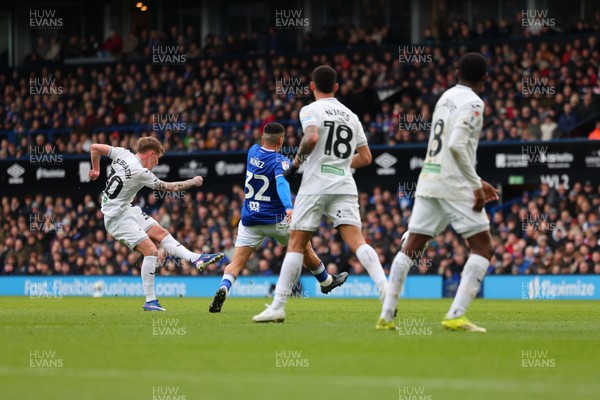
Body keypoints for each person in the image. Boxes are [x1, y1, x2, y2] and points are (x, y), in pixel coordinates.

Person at [252, 65, 388, 323]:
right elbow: (367, 158)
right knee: (358, 241)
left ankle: (278, 307)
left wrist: (296, 163)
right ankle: (386, 293)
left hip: (316, 184)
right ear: (336, 87)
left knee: (296, 242)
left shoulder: (310, 110)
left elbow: (312, 137)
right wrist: (340, 164)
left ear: (312, 87)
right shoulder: (352, 116)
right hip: (344, 182)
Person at [377, 53, 499, 332]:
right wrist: (475, 182)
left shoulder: (445, 97)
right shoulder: (474, 102)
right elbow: (456, 146)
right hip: (454, 182)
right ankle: (456, 315)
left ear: (457, 71)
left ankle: (386, 315)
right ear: (484, 78)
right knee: (483, 247)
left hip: (429, 178)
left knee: (411, 247)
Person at [209, 122, 348, 315]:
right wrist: (289, 207)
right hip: (276, 219)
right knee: (304, 246)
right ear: (281, 140)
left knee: (237, 262)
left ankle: (224, 288)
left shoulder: (252, 151)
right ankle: (326, 282)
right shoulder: (279, 161)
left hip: (250, 220)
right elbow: (282, 182)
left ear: (263, 137)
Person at [89, 137, 223, 311]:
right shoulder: (140, 171)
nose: (156, 163)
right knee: (151, 251)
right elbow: (171, 187)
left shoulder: (122, 153)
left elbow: (94, 148)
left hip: (126, 209)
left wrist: (96, 169)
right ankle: (150, 301)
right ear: (151, 154)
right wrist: (193, 182)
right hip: (116, 217)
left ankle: (196, 258)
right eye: (157, 159)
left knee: (161, 233)